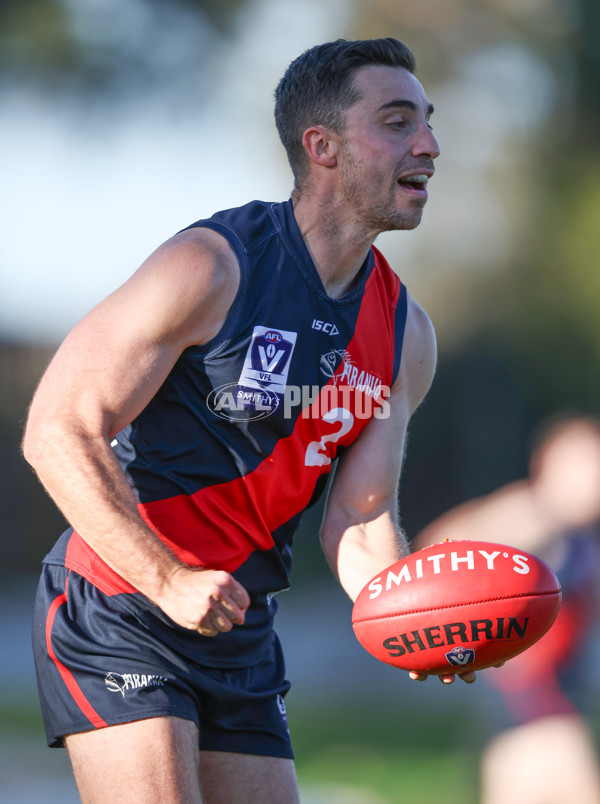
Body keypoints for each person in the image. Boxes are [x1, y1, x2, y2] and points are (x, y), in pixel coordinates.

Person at [23, 38, 474, 804]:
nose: (429, 144)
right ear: (322, 146)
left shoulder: (405, 335)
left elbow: (360, 522)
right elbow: (57, 427)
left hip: (239, 628)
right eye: (398, 122)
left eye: (428, 122)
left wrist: (420, 622)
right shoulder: (212, 266)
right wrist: (165, 579)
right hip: (120, 602)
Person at [417, 414, 600, 804]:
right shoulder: (530, 514)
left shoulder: (581, 533)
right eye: (583, 463)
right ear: (546, 464)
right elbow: (434, 550)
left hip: (555, 695)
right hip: (527, 695)